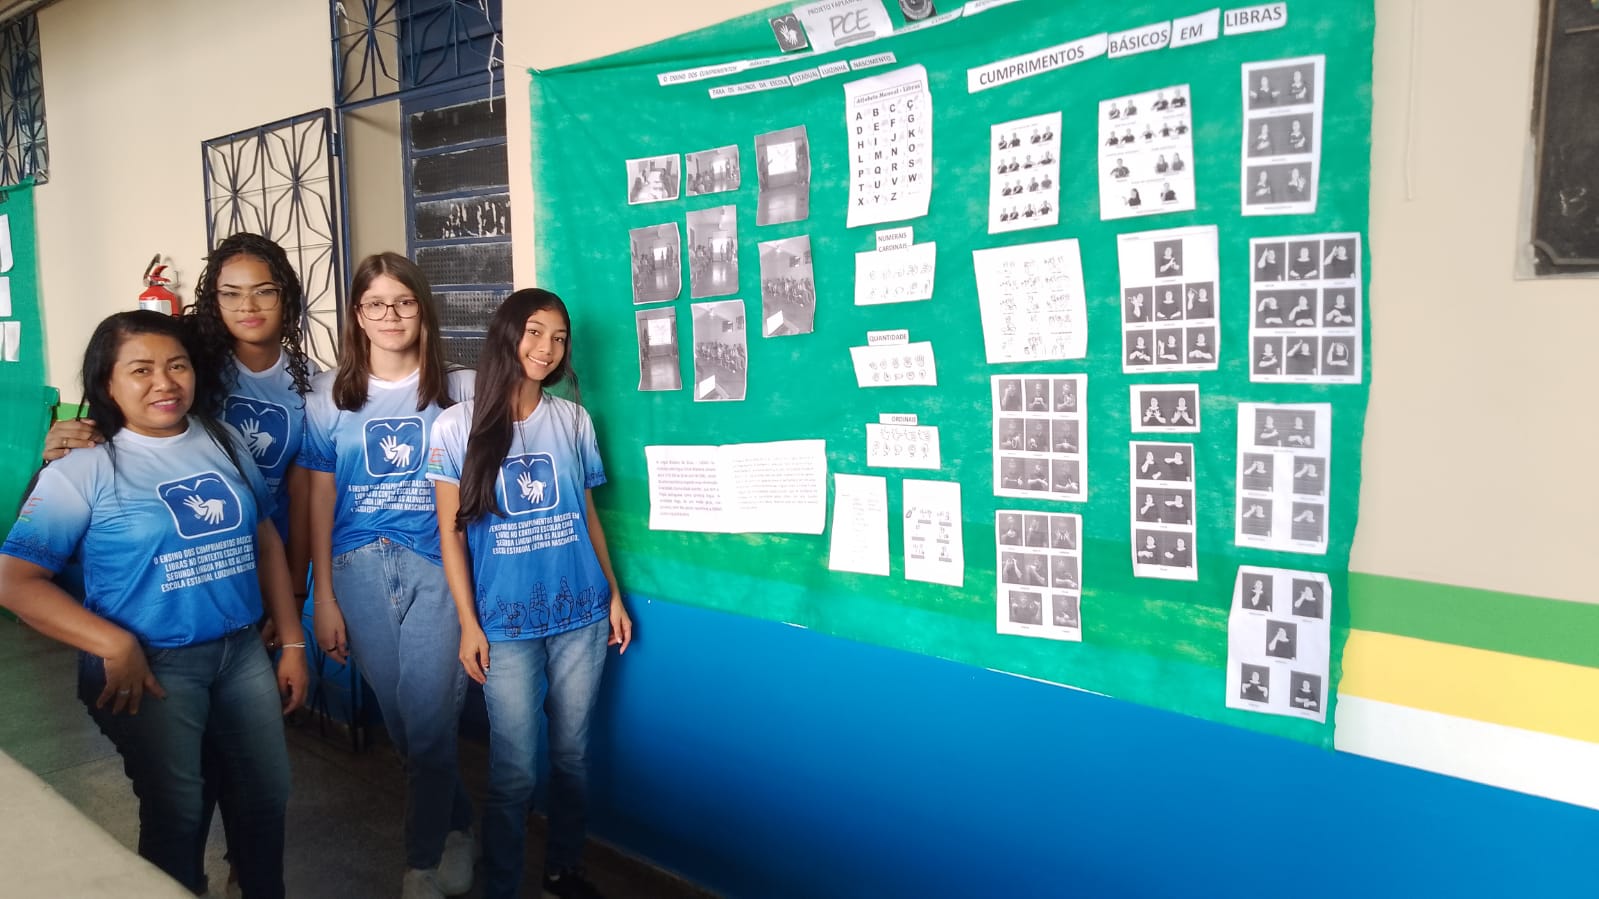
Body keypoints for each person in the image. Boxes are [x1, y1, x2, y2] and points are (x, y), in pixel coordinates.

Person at [1, 310, 308, 898]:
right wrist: (112, 643)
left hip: (241, 653)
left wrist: (292, 639)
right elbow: (14, 582)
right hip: (153, 665)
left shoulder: (223, 439)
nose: (164, 383)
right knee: (178, 812)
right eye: (141, 370)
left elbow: (266, 538)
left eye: (177, 366)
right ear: (107, 383)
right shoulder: (83, 466)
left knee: (266, 795)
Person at [431, 289, 633, 898]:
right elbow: (450, 534)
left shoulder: (573, 421)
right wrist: (468, 623)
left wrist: (613, 595)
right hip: (504, 627)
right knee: (514, 769)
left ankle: (562, 870)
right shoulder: (456, 426)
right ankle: (502, 885)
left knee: (571, 757)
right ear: (508, 335)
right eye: (536, 332)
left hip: (581, 616)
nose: (548, 348)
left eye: (560, 337)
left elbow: (587, 516)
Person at [302, 253, 477, 899]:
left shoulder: (460, 388)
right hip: (356, 569)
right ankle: (458, 825)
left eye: (403, 301)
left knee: (427, 722)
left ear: (422, 308)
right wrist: (322, 594)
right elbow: (320, 496)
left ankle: (420, 865)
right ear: (357, 314)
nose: (390, 315)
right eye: (375, 303)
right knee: (404, 725)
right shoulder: (327, 395)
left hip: (438, 566)